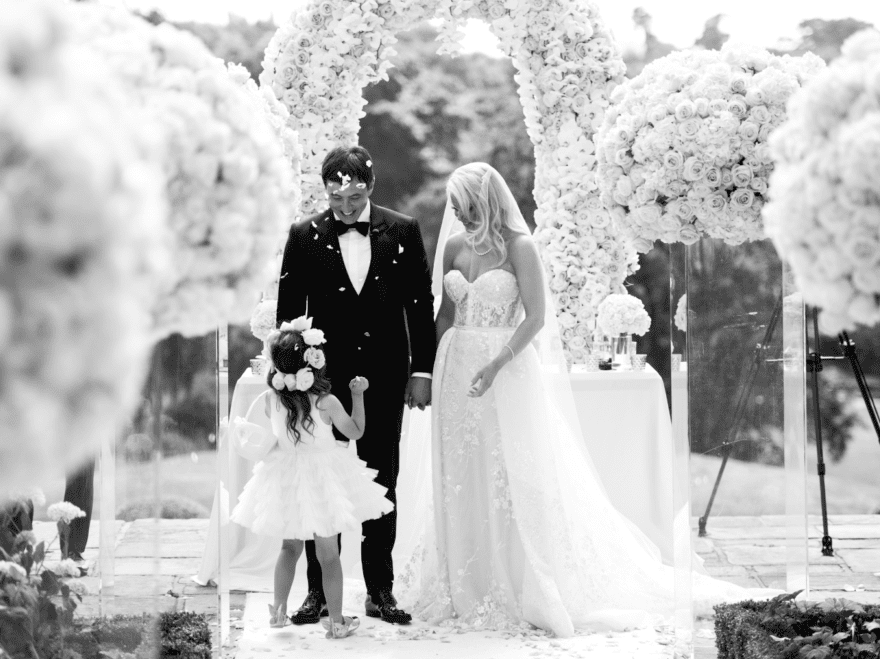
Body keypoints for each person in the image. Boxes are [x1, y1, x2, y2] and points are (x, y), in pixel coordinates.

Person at [393, 162, 778, 636]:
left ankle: (513, 578)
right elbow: (445, 315)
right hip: (456, 370)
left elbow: (534, 318)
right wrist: (428, 371)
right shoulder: (453, 246)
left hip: (507, 370)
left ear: (486, 203)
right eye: (455, 208)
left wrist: (495, 365)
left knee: (510, 471)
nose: (459, 215)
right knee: (459, 471)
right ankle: (463, 578)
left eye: (466, 207)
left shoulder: (521, 248)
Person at [276, 145, 437, 625]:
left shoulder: (403, 230)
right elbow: (289, 318)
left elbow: (418, 307)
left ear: (371, 186)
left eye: (356, 196)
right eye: (337, 198)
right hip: (320, 383)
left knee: (380, 478)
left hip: (386, 377)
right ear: (326, 190)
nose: (346, 207)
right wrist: (294, 378)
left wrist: (421, 372)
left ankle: (380, 590)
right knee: (319, 481)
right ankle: (318, 594)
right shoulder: (303, 235)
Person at [230, 324, 392, 639]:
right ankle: (337, 622)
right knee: (328, 555)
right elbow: (356, 431)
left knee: (288, 548)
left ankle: (277, 612)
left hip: (286, 478)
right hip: (322, 480)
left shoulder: (269, 399)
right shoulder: (325, 402)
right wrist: (358, 396)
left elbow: (254, 432)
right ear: (314, 361)